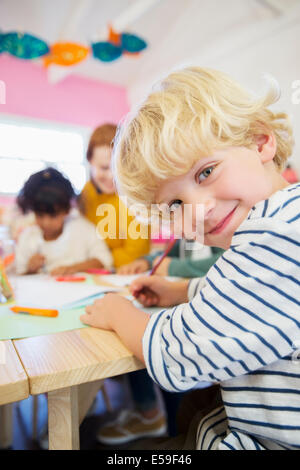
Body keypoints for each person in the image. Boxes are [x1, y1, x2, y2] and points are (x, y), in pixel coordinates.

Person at [80, 67, 300, 450]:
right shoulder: (283, 221)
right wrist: (182, 290)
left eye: (206, 172)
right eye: (175, 204)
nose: (197, 211)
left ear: (261, 141)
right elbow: (247, 290)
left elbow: (174, 350)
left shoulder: (273, 237)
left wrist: (118, 312)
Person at [16, 167, 113, 275]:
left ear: (66, 210)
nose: (46, 222)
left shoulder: (82, 229)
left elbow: (104, 260)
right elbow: (18, 276)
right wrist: (30, 269)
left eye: (53, 216)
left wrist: (73, 268)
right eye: (40, 215)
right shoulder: (28, 237)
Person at [79, 123, 150, 268]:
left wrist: (97, 259)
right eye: (104, 167)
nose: (112, 176)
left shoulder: (134, 195)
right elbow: (81, 246)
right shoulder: (87, 193)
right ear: (90, 162)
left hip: (126, 273)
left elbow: (134, 256)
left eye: (118, 166)